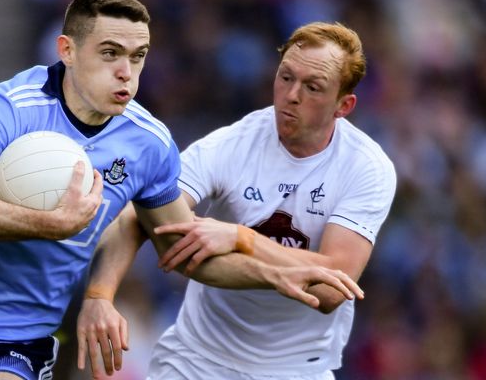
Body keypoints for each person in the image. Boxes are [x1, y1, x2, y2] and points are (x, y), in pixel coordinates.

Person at [0, 0, 364, 380]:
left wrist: (271, 274)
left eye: (138, 57)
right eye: (110, 53)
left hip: (15, 340)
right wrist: (48, 224)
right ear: (67, 50)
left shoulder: (148, 144)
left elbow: (185, 248)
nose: (126, 73)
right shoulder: (14, 106)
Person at [77, 21, 397, 380]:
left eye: (313, 87)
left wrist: (242, 239)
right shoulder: (233, 144)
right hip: (197, 360)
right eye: (286, 77)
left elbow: (332, 288)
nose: (291, 95)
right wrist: (100, 296)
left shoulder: (366, 168)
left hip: (296, 369)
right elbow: (141, 215)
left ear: (344, 105)